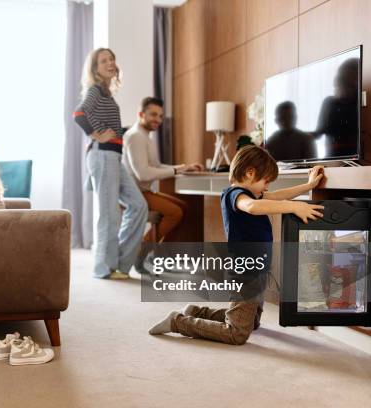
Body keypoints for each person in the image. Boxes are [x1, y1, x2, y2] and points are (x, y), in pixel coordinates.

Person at [149, 146, 325, 345]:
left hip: (257, 269)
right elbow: (251, 207)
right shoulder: (236, 195)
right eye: (265, 181)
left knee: (252, 323)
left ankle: (197, 312)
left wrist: (308, 186)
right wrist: (294, 207)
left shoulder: (251, 194)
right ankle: (178, 322)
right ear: (250, 173)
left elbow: (278, 195)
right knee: (236, 333)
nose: (267, 188)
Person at [73, 48, 148, 279]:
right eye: (104, 60)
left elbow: (110, 126)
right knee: (109, 215)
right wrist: (95, 134)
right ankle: (103, 268)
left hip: (113, 155)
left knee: (138, 205)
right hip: (103, 155)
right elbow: (79, 114)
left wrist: (121, 131)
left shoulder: (106, 92)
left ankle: (120, 263)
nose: (110, 63)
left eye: (112, 59)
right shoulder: (95, 90)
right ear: (95, 68)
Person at [123, 97, 204, 244]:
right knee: (176, 213)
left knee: (185, 207)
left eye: (160, 116)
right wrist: (175, 171)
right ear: (141, 114)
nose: (158, 120)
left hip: (145, 191)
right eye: (153, 115)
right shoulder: (136, 136)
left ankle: (161, 252)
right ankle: (142, 249)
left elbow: (156, 166)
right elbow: (143, 174)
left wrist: (182, 167)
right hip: (136, 193)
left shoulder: (145, 136)